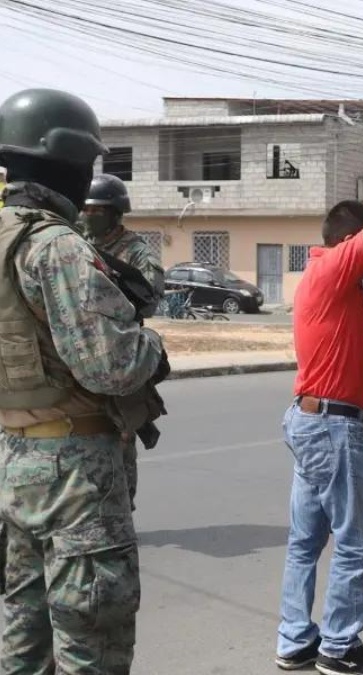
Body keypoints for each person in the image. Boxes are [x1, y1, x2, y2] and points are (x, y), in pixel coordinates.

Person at [0, 88, 168, 674]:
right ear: (70, 162)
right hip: (74, 474)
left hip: (13, 460)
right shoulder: (55, 245)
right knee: (90, 641)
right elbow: (113, 365)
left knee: (22, 638)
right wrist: (153, 345)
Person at [274, 100, 363, 675]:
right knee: (356, 542)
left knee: (307, 541)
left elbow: (346, 349)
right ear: (352, 242)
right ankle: (339, 647)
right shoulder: (336, 268)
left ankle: (295, 641)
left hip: (312, 421)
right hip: (331, 427)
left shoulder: (323, 279)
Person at [81, 173, 165, 511]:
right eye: (84, 208)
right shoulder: (77, 245)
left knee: (122, 435)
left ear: (115, 212)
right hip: (83, 349)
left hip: (121, 351)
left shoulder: (137, 252)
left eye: (96, 210)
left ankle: (122, 509)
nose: (87, 215)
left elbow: (151, 299)